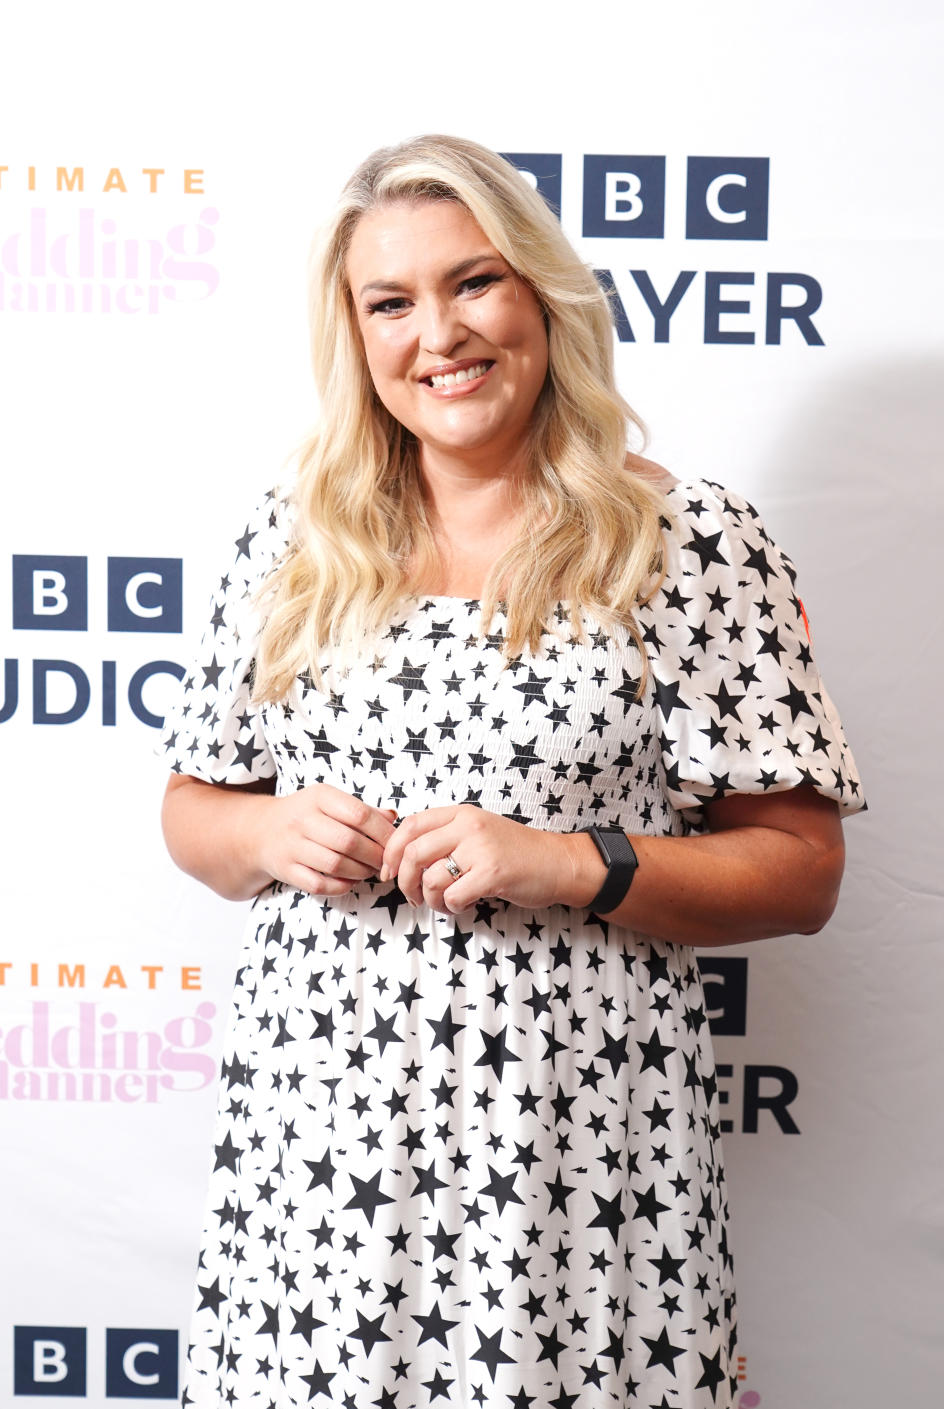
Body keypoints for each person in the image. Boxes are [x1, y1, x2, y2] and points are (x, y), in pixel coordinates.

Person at [160, 134, 864, 1409]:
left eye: (474, 282)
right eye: (392, 302)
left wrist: (568, 860)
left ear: (543, 296)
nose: (440, 333)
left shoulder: (680, 538)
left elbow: (802, 868)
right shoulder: (294, 536)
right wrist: (270, 837)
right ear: (355, 333)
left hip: (574, 1175)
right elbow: (194, 809)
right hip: (318, 1169)